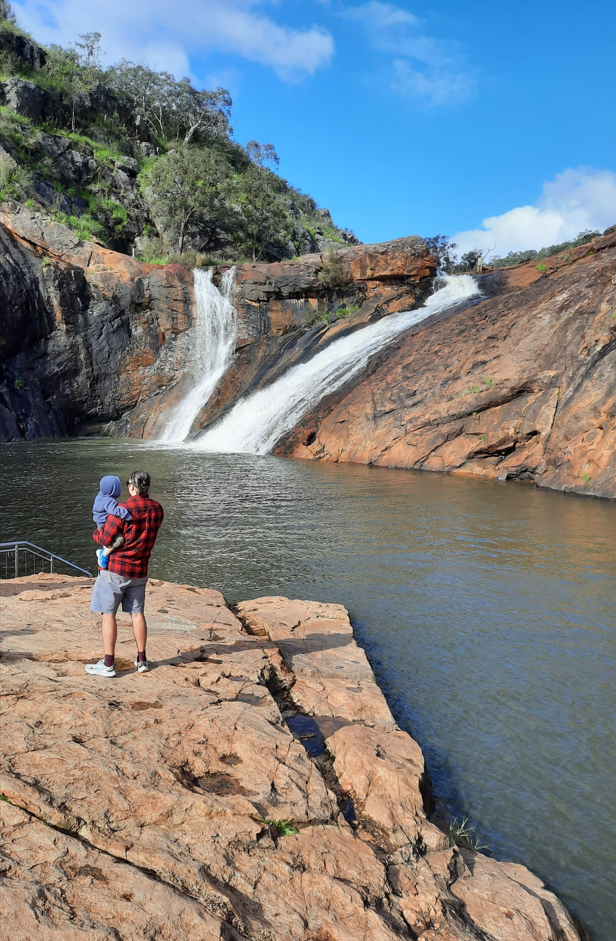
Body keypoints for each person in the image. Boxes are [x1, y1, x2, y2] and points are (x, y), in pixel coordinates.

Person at [86, 470, 164, 678]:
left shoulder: (122, 509)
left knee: (108, 614)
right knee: (137, 614)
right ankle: (142, 660)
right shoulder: (158, 509)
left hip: (115, 571)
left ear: (132, 487)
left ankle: (108, 664)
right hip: (140, 571)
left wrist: (96, 532)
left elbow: (105, 538)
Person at [92, 475, 132, 570]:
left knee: (108, 541)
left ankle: (104, 551)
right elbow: (114, 510)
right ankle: (104, 553)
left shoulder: (100, 496)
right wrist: (127, 515)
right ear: (114, 489)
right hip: (105, 525)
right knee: (120, 540)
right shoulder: (109, 501)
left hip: (99, 524)